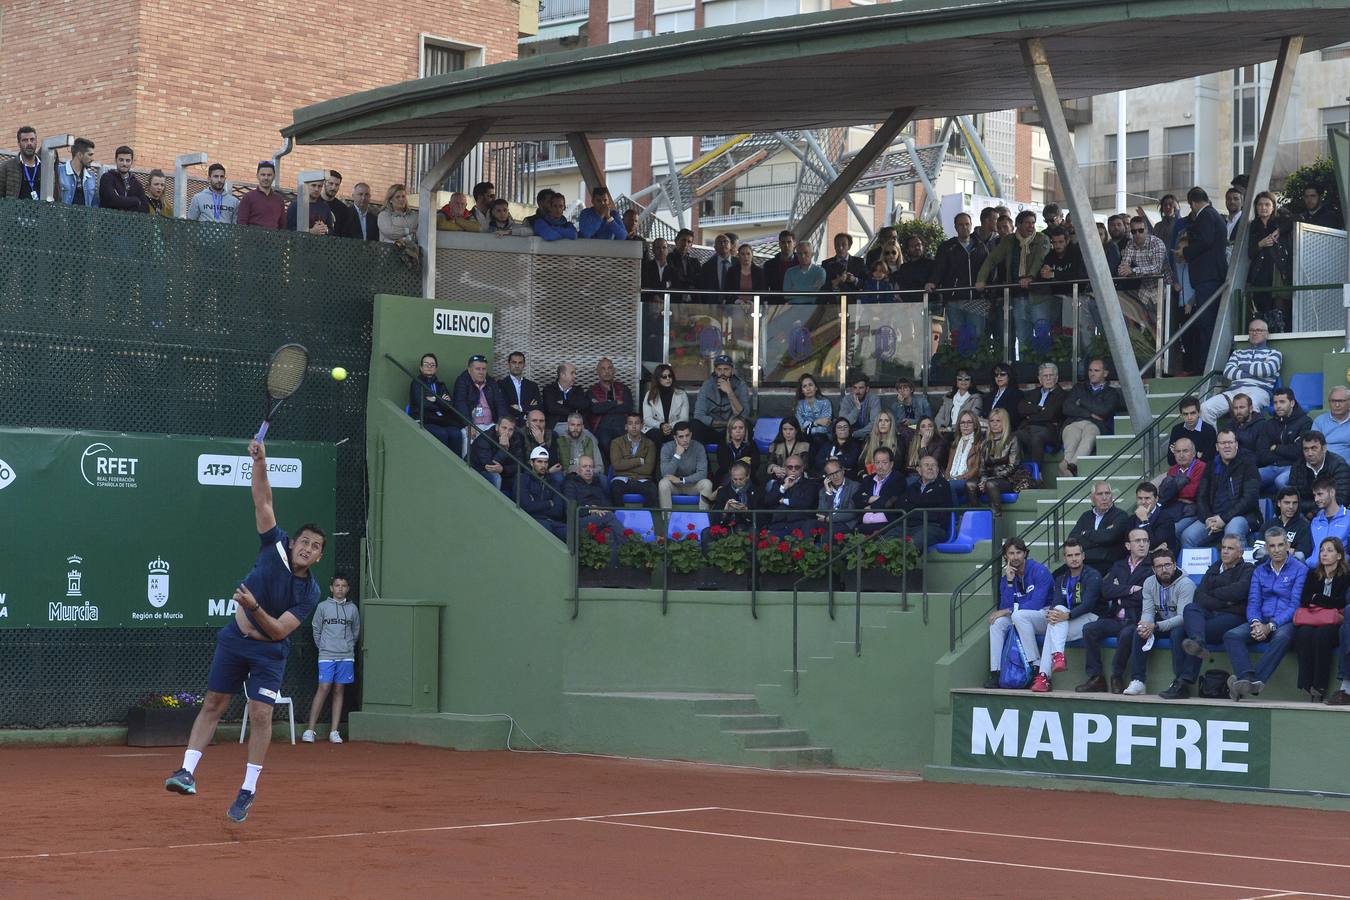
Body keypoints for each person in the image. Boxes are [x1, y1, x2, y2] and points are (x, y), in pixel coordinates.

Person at [163, 439, 325, 824]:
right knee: (214, 704)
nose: (307, 548)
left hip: (269, 652)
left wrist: (252, 606)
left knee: (260, 714)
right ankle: (186, 772)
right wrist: (261, 460)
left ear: (319, 556)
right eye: (304, 541)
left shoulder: (312, 591)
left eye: (315, 547)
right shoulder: (274, 546)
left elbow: (279, 631)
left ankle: (248, 789)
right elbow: (263, 499)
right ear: (292, 541)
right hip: (234, 641)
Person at [1166, 535, 1255, 698]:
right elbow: (1199, 596)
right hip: (1211, 615)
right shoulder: (1214, 567)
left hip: (1232, 617)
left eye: (1230, 548)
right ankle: (1183, 673)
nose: (1225, 551)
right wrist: (1225, 601)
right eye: (1223, 548)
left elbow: (1239, 591)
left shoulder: (1247, 569)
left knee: (1188, 632)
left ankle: (1183, 683)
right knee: (1187, 614)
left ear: (1240, 553)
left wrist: (1214, 595)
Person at [1224, 527, 1307, 699]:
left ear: (1287, 545)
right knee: (1232, 635)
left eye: (1280, 545)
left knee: (1282, 637)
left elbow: (1295, 604)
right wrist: (1255, 623)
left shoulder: (1300, 569)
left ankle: (1255, 681)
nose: (1276, 550)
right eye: (1272, 546)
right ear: (1267, 549)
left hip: (1286, 621)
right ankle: (1247, 678)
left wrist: (1271, 625)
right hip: (1262, 619)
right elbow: (1254, 602)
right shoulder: (1260, 571)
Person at [1077, 529, 1153, 693]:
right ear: (1128, 545)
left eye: (1145, 541)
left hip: (1136, 619)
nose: (1142, 544)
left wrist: (1120, 591)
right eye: (1137, 541)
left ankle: (1116, 676)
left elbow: (1146, 594)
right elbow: (1106, 590)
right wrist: (1132, 589)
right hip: (1115, 618)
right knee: (1089, 629)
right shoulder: (1119, 565)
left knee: (1127, 634)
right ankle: (1096, 677)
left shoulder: (1152, 566)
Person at [1032, 539, 1104, 693]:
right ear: (1065, 558)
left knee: (1052, 630)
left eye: (1077, 554)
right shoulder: (1061, 578)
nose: (1074, 558)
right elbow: (1056, 603)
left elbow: (1088, 605)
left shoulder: (1093, 575)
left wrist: (1067, 615)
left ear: (1083, 556)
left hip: (1092, 617)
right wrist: (1054, 614)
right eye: (1070, 555)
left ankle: (1044, 676)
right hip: (1068, 619)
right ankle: (1056, 658)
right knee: (1055, 619)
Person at [1121, 548, 1194, 695]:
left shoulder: (1186, 584)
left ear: (1174, 565)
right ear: (1154, 569)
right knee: (1139, 632)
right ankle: (1138, 681)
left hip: (1184, 625)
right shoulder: (1149, 583)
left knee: (1177, 634)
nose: (1164, 569)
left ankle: (1179, 682)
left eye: (1167, 565)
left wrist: (1155, 625)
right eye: (1159, 566)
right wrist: (1145, 625)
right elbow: (1147, 611)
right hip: (1161, 623)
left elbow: (1182, 617)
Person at [976, 211, 1050, 355]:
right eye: (1027, 222)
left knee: (1042, 334)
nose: (1031, 226)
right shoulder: (1009, 240)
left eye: (1033, 223)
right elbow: (992, 259)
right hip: (1018, 295)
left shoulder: (1042, 238)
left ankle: (1044, 371)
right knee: (1023, 336)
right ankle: (1025, 370)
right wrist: (981, 279)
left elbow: (1039, 260)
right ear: (1018, 225)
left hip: (1039, 295)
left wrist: (1030, 277)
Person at [985, 537, 1053, 689]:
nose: (1015, 557)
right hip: (1021, 618)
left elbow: (1036, 604)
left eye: (1018, 552)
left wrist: (1008, 611)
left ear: (1025, 554)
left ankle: (1035, 667)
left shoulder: (1039, 570)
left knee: (1017, 615)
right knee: (997, 623)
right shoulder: (1006, 578)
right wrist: (1010, 582)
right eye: (1011, 553)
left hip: (1045, 616)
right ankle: (996, 672)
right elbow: (1005, 606)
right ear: (1005, 557)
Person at [1175, 187, 1229, 374]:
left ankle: (1207, 365)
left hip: (1208, 276)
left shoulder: (1206, 216)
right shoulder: (1216, 216)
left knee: (1206, 323)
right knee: (1207, 322)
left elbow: (1205, 241)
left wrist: (1186, 252)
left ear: (1193, 203)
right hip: (1212, 275)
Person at [302, 574, 360, 744]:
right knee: (324, 687)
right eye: (337, 585)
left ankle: (334, 731)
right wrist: (324, 647)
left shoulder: (352, 609)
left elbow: (355, 631)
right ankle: (310, 730)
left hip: (346, 656)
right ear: (331, 588)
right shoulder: (322, 607)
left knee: (339, 689)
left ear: (347, 588)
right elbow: (316, 629)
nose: (340, 588)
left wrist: (347, 646)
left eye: (343, 585)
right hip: (326, 655)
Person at [1293, 537, 1350, 702]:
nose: (1324, 554)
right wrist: (1325, 600)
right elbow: (1304, 599)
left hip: (1333, 622)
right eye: (1322, 550)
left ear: (1339, 556)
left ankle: (1319, 686)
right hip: (1313, 619)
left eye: (1329, 550)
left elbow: (1342, 601)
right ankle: (1305, 684)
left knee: (1322, 635)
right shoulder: (1313, 574)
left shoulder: (1346, 575)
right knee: (1303, 633)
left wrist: (1317, 598)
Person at [1181, 429, 1259, 548]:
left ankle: (1241, 567)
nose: (1227, 446)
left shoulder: (1248, 464)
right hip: (1213, 517)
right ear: (1217, 447)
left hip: (1242, 516)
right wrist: (1207, 518)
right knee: (1188, 536)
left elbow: (1249, 499)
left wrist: (1223, 518)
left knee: (1232, 532)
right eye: (1223, 443)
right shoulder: (1211, 466)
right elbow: (1201, 496)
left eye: (1230, 442)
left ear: (1236, 445)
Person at [1199, 320, 1281, 425]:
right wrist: (1256, 370)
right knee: (1205, 408)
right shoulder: (1238, 353)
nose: (1255, 333)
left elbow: (1266, 370)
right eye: (1251, 330)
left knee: (1251, 406)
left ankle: (1249, 440)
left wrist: (1242, 366)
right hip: (1233, 391)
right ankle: (1217, 441)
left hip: (1258, 391)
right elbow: (1228, 372)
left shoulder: (1274, 353)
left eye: (1259, 330)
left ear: (1266, 334)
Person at [927, 212, 989, 343]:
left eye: (967, 224)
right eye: (961, 225)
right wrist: (932, 282)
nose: (964, 227)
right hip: (954, 299)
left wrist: (986, 288)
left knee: (977, 335)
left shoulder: (980, 246)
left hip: (976, 298)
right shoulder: (947, 247)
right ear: (955, 227)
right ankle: (960, 363)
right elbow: (939, 268)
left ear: (971, 225)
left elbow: (989, 268)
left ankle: (976, 363)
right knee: (957, 335)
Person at [1058, 359, 1122, 477]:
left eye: (1096, 370)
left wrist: (1081, 401)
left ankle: (1071, 465)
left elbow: (1103, 411)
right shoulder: (1079, 387)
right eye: (1090, 370)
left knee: (1090, 431)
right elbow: (1066, 408)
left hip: (1096, 426)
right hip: (1074, 422)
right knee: (1071, 431)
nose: (1092, 373)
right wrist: (1089, 414)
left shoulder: (1111, 393)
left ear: (1105, 373)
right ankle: (1067, 463)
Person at [1246, 192, 1293, 330]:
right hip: (1259, 273)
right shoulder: (1253, 226)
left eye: (1267, 204)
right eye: (1260, 204)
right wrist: (1260, 244)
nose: (1263, 208)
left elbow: (1296, 218)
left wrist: (1279, 230)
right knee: (1262, 312)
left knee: (1279, 313)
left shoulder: (1280, 221)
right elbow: (1249, 253)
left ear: (1273, 207)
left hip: (1278, 272)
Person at [1069, 481, 1131, 574]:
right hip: (1084, 562)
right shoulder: (1086, 516)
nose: (1104, 497)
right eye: (1100, 494)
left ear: (1112, 496)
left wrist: (1085, 534)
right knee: (1056, 575)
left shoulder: (1121, 515)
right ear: (1092, 498)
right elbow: (1072, 540)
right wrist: (1102, 537)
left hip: (1108, 564)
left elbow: (1110, 537)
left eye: (1107, 493)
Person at [1256, 387, 1311, 492]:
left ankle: (1294, 507)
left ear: (1292, 403)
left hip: (1294, 467)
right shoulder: (1269, 424)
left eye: (1282, 402)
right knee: (1248, 479)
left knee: (1280, 481)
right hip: (1272, 466)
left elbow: (1298, 451)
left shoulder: (1305, 422)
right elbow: (1261, 453)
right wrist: (1283, 454)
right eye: (1275, 403)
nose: (1278, 406)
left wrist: (1275, 448)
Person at [408, 352, 463, 454]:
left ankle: (457, 466)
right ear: (421, 367)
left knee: (456, 433)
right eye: (426, 364)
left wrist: (435, 400)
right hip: (425, 420)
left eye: (432, 365)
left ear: (436, 368)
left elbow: (449, 405)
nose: (429, 366)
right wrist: (441, 403)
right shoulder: (416, 383)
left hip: (441, 420)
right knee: (442, 434)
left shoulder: (440, 385)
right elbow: (422, 404)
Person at [969, 408, 1019, 517]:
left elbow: (1012, 466)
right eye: (992, 421)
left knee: (990, 484)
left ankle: (997, 517)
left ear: (1004, 422)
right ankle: (977, 516)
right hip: (989, 479)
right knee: (970, 484)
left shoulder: (1012, 439)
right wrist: (983, 479)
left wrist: (988, 480)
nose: (994, 424)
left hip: (1008, 479)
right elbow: (982, 468)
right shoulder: (985, 442)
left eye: (998, 421)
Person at [1014, 362, 1066, 465]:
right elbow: (1021, 409)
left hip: (1049, 430)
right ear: (1039, 379)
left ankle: (1037, 474)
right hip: (1029, 428)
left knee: (1037, 437)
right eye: (1045, 376)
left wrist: (1030, 415)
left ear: (1056, 378)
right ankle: (1018, 469)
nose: (1048, 378)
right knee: (1014, 436)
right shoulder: (1032, 393)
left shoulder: (1062, 395)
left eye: (1051, 375)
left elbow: (1050, 414)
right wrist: (1040, 409)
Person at [1290, 431, 1350, 520]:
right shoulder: (1297, 467)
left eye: (1314, 448)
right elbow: (1294, 498)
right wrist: (1313, 508)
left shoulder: (1338, 465)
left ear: (1324, 448)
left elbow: (1342, 498)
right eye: (1306, 449)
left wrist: (1313, 513)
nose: (1309, 453)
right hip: (1304, 512)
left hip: (1332, 512)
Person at [692, 355, 750, 446]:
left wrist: (730, 391)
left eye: (726, 369)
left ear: (732, 371)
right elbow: (698, 415)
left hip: (732, 430)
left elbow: (744, 415)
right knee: (695, 425)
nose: (722, 373)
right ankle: (701, 459)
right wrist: (726, 423)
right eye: (719, 369)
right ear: (715, 371)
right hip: (711, 428)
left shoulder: (741, 385)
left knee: (747, 425)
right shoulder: (707, 385)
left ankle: (741, 459)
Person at [900, 454, 950, 548]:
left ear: (938, 470)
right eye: (926, 465)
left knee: (913, 545)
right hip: (909, 526)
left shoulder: (943, 485)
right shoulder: (911, 487)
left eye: (933, 465)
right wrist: (922, 503)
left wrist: (913, 505)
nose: (930, 468)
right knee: (885, 540)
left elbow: (933, 505)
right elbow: (902, 505)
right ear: (919, 470)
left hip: (933, 527)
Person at [659, 422, 712, 510]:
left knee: (707, 483)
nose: (685, 439)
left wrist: (681, 480)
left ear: (691, 435)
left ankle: (703, 520)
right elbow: (665, 473)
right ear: (675, 437)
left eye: (687, 435)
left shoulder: (698, 447)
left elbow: (702, 473)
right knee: (663, 483)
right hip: (674, 486)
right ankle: (667, 521)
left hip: (692, 485)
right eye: (681, 437)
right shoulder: (667, 448)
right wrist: (677, 455)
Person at [452, 353, 505, 442]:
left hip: (491, 425)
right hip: (472, 425)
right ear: (469, 370)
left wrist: (502, 424)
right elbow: (460, 404)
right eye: (477, 369)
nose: (481, 372)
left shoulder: (491, 382)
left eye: (484, 369)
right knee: (469, 440)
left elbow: (500, 403)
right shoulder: (462, 381)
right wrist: (468, 424)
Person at [563, 455, 621, 535]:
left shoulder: (597, 484)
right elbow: (570, 510)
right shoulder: (570, 484)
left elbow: (607, 503)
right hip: (580, 519)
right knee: (609, 516)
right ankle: (628, 543)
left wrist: (601, 509)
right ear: (578, 469)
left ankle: (623, 545)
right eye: (584, 466)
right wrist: (590, 510)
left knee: (609, 532)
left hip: (599, 517)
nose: (588, 469)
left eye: (590, 467)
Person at [609, 412, 658, 506]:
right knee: (615, 489)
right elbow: (617, 465)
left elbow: (648, 470)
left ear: (642, 426)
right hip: (621, 479)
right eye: (630, 423)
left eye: (637, 423)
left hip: (642, 479)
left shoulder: (650, 444)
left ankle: (647, 519)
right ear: (626, 427)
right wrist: (639, 461)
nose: (634, 426)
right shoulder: (616, 442)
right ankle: (617, 518)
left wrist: (625, 465)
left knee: (652, 490)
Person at [763, 453, 818, 536]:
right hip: (778, 526)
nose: (793, 470)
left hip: (799, 527)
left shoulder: (810, 484)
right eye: (790, 467)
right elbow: (767, 502)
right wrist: (783, 488)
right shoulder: (778, 484)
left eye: (797, 467)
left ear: (802, 468)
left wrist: (785, 501)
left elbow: (806, 503)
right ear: (785, 468)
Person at [855, 447, 905, 535]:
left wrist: (870, 508)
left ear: (891, 464)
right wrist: (871, 498)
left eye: (884, 463)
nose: (880, 466)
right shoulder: (868, 480)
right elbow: (856, 498)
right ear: (873, 464)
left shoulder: (898, 479)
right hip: (863, 525)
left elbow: (890, 501)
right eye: (877, 462)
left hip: (887, 526)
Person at [587, 357, 633, 451]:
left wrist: (604, 406)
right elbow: (595, 409)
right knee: (604, 441)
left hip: (621, 424)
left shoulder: (623, 388)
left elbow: (627, 407)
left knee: (624, 441)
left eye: (609, 368)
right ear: (598, 372)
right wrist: (615, 403)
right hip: (602, 425)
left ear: (614, 370)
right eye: (603, 369)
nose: (607, 371)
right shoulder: (592, 390)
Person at [1256, 487, 1313, 562]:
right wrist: (1287, 550)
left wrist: (1271, 550)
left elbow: (1302, 554)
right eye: (1287, 503)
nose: (1291, 507)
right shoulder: (1268, 525)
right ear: (1279, 503)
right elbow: (1256, 551)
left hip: (1292, 569)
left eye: (1295, 503)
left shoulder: (1304, 526)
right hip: (1269, 568)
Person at [707, 462, 760, 543]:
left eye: (741, 479)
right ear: (731, 477)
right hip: (728, 527)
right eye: (735, 479)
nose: (737, 482)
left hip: (747, 527)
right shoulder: (723, 491)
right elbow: (715, 519)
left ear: (747, 476)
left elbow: (762, 518)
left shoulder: (757, 491)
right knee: (706, 533)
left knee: (753, 532)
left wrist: (746, 510)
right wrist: (725, 511)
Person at [470, 416, 523, 495]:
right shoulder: (485, 438)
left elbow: (519, 464)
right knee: (495, 477)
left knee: (520, 478)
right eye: (504, 428)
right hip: (477, 470)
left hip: (503, 472)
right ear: (497, 427)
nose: (507, 432)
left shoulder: (516, 439)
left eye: (510, 429)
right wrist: (503, 449)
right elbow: (489, 466)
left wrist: (503, 470)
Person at [521, 449, 567, 540]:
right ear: (531, 463)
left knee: (571, 533)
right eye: (539, 462)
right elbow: (525, 506)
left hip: (553, 521)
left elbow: (558, 511)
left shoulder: (553, 482)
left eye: (546, 462)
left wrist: (536, 504)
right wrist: (549, 503)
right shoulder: (523, 479)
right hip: (533, 520)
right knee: (546, 529)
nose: (543, 465)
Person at [642, 363, 688, 445]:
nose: (668, 379)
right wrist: (661, 426)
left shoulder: (681, 394)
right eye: (664, 377)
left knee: (675, 435)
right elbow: (647, 418)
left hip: (674, 428)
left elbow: (684, 418)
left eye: (670, 376)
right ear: (658, 379)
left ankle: (675, 457)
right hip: (656, 428)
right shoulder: (650, 394)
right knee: (655, 435)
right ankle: (658, 458)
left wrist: (669, 426)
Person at [944, 409, 982, 502]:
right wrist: (947, 478)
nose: (965, 425)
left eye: (969, 422)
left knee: (949, 486)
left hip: (969, 480)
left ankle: (957, 515)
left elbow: (976, 469)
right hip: (953, 479)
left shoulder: (979, 443)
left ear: (975, 425)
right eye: (962, 422)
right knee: (939, 486)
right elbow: (948, 467)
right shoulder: (955, 444)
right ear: (959, 426)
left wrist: (958, 478)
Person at [1130, 481, 1179, 553]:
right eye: (1140, 498)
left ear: (1156, 499)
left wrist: (1144, 521)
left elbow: (1152, 544)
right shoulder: (1132, 519)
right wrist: (1151, 551)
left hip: (1161, 560)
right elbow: (1128, 544)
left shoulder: (1166, 519)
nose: (1143, 502)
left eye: (1147, 498)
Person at [236, 161, 287, 230]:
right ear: (257, 176)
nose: (266, 178)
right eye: (263, 175)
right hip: (252, 239)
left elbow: (283, 226)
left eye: (269, 175)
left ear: (274, 176)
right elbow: (241, 223)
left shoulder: (279, 200)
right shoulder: (248, 197)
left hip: (273, 239)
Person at [544, 362, 591, 433]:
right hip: (558, 424)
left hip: (578, 425)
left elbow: (584, 405)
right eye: (572, 373)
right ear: (562, 375)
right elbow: (552, 408)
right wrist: (574, 411)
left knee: (592, 439)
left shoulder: (578, 390)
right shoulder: (549, 389)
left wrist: (564, 402)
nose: (575, 376)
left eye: (575, 373)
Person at [1167, 396, 1217, 464]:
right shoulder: (1176, 430)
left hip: (1202, 472)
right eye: (1185, 414)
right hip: (1180, 471)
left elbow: (1209, 460)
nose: (1189, 417)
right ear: (1181, 415)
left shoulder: (1209, 431)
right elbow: (1171, 460)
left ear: (1199, 413)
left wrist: (1179, 454)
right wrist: (1197, 455)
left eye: (1193, 413)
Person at [817, 458, 861, 533]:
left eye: (837, 472)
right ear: (827, 477)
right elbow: (821, 514)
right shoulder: (823, 491)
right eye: (831, 474)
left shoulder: (854, 486)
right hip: (827, 523)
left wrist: (829, 519)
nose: (835, 476)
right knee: (809, 525)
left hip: (845, 523)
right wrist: (828, 493)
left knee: (830, 532)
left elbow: (852, 512)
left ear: (843, 471)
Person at [98, 145, 146, 212]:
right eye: (121, 160)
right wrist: (136, 200)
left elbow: (144, 208)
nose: (124, 163)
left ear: (132, 162)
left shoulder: (136, 184)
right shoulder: (107, 178)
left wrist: (121, 201)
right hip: (108, 220)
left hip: (130, 221)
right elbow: (112, 201)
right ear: (115, 160)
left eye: (128, 160)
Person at [521, 409, 563, 485]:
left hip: (546, 469)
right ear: (527, 423)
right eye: (534, 420)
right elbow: (521, 461)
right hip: (528, 470)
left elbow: (554, 463)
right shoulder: (520, 434)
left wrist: (541, 442)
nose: (538, 424)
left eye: (541, 421)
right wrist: (547, 471)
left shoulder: (552, 435)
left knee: (558, 476)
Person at [858, 411, 904, 479]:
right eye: (880, 421)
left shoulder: (898, 440)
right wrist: (864, 475)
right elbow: (862, 462)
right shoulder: (869, 439)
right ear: (877, 423)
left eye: (886, 421)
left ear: (891, 424)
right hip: (869, 478)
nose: (883, 423)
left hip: (890, 479)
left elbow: (898, 465)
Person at [0, 125, 41, 200]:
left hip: (43, 211)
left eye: (32, 139)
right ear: (19, 143)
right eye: (25, 140)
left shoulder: (45, 166)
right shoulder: (6, 167)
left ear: (36, 141)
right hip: (16, 211)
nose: (29, 143)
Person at [935, 369, 983, 433]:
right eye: (960, 379)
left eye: (967, 379)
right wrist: (943, 428)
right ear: (956, 382)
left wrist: (953, 429)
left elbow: (972, 418)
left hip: (966, 432)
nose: (963, 381)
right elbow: (938, 418)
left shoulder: (976, 398)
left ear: (971, 382)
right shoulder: (948, 397)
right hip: (947, 432)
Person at [558, 412, 603, 480]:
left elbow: (600, 467)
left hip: (589, 476)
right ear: (567, 426)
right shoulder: (560, 441)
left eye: (578, 425)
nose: (575, 428)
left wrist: (587, 472)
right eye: (572, 425)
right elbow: (558, 468)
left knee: (603, 479)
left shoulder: (590, 441)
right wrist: (574, 472)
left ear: (582, 427)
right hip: (569, 477)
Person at [764, 418, 810, 484]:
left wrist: (787, 472)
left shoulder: (805, 446)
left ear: (796, 430)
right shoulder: (774, 446)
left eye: (791, 429)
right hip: (778, 479)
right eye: (785, 429)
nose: (788, 432)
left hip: (798, 480)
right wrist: (774, 468)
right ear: (781, 430)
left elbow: (805, 466)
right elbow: (769, 462)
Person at [717, 416, 760, 484]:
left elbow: (755, 464)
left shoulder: (751, 445)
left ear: (745, 430)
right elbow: (723, 465)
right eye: (734, 428)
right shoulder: (723, 445)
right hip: (727, 476)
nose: (738, 431)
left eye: (741, 428)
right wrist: (742, 463)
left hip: (746, 476)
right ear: (729, 431)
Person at [57, 137, 99, 207]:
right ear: (79, 155)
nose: (93, 159)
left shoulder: (92, 176)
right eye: (90, 155)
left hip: (85, 217)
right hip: (63, 217)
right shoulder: (59, 172)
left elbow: (94, 205)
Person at [499, 351, 542, 420]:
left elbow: (539, 407)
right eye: (514, 362)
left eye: (520, 363)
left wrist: (520, 408)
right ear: (508, 364)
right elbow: (504, 407)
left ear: (524, 365)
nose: (517, 366)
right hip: (509, 422)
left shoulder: (532, 386)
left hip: (529, 423)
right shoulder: (501, 384)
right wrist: (526, 410)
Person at [1312, 387, 1350, 462]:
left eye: (1341, 401)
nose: (1337, 405)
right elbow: (1313, 447)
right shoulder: (1320, 421)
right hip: (1323, 465)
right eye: (1333, 401)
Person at [1310, 477, 1350, 548]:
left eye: (1320, 494)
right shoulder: (1315, 521)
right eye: (1314, 495)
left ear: (1332, 492)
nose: (1316, 499)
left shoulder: (1348, 517)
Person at [839, 372, 881, 439]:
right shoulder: (846, 400)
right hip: (849, 436)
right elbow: (843, 423)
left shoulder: (874, 399)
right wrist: (857, 409)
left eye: (861, 388)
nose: (857, 391)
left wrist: (856, 434)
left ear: (867, 389)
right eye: (855, 388)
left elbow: (875, 423)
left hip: (868, 434)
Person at [795, 373, 834, 443]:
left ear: (816, 388)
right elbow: (800, 427)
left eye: (810, 385)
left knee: (817, 437)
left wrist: (807, 428)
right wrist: (816, 423)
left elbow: (825, 428)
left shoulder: (825, 402)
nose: (808, 388)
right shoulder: (799, 405)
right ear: (802, 391)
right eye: (804, 386)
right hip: (805, 438)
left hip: (823, 438)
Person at [984, 363, 1021, 431]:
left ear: (1009, 376)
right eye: (996, 375)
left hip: (1006, 430)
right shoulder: (990, 395)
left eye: (1002, 374)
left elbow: (1013, 417)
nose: (999, 377)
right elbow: (985, 413)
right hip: (988, 429)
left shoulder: (1016, 394)